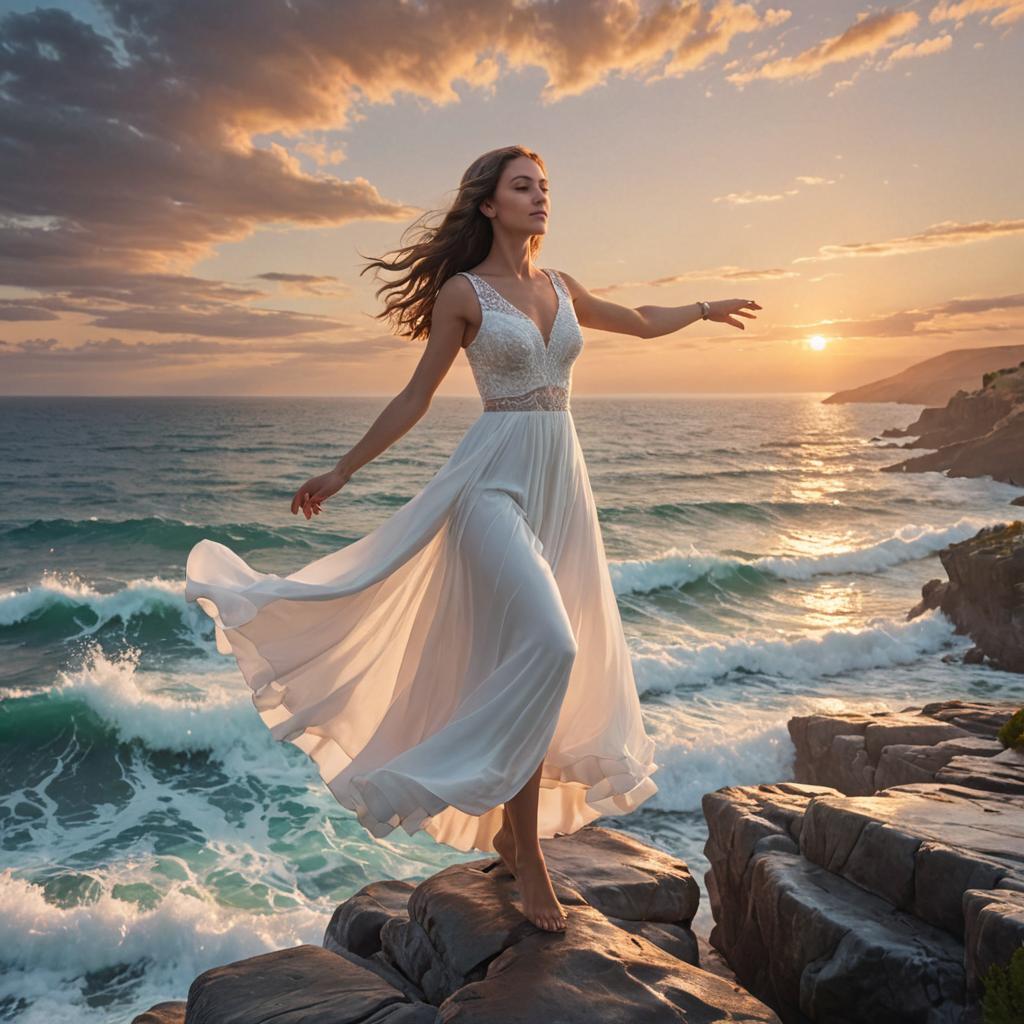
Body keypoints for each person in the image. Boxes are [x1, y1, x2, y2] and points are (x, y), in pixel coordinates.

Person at [184, 144, 761, 933]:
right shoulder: (465, 293)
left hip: (563, 486)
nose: (540, 197)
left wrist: (700, 308)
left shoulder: (561, 286)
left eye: (545, 186)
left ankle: (516, 844)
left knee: (527, 661)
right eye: (523, 186)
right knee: (550, 647)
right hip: (491, 486)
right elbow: (416, 396)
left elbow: (638, 322)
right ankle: (512, 847)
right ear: (488, 204)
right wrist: (344, 469)